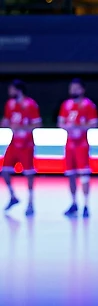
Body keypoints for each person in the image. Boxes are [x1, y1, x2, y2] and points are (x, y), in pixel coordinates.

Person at [58, 78, 98, 218]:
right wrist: (67, 127)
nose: (73, 91)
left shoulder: (88, 105)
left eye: (76, 88)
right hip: (69, 145)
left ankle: (86, 204)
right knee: (70, 174)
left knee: (84, 175)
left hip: (82, 144)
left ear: (82, 90)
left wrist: (79, 127)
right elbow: (61, 122)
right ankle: (74, 203)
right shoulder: (66, 105)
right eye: (72, 88)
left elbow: (94, 124)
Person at [1, 80, 41, 216]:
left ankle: (31, 203)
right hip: (14, 143)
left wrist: (22, 128)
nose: (9, 93)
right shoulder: (10, 104)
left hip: (26, 143)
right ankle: (13, 196)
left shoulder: (30, 104)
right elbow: (7, 120)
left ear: (18, 90)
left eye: (11, 90)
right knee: (5, 171)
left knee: (29, 173)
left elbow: (37, 124)